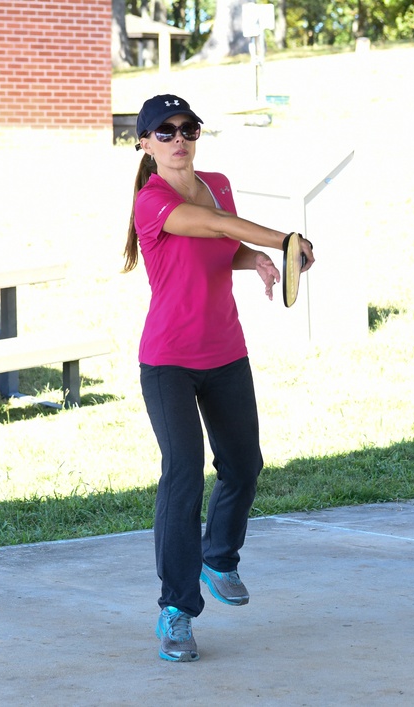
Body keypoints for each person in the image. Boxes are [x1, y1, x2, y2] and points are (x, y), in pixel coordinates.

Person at [123, 94, 315, 662]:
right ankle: (176, 611)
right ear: (144, 143)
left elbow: (216, 241)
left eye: (187, 129)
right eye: (164, 132)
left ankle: (218, 558)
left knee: (242, 465)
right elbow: (209, 224)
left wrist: (250, 259)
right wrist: (278, 240)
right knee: (182, 473)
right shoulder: (151, 200)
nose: (178, 139)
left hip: (225, 351)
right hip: (168, 361)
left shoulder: (218, 181)